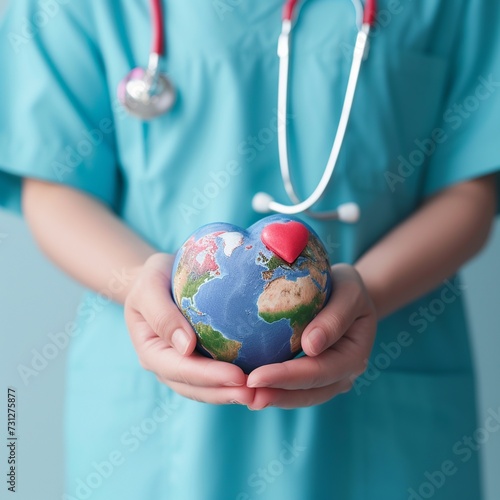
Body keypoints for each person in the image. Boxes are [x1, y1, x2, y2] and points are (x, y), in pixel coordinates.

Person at [1, 1, 499, 499]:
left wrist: (374, 290)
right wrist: (136, 282)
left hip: (387, 409)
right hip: (150, 419)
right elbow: (53, 180)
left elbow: (472, 183)